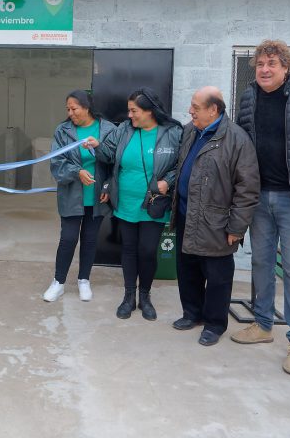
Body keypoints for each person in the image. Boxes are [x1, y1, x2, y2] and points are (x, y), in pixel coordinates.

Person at [232, 40, 290, 375]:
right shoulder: (249, 96)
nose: (265, 69)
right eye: (260, 64)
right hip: (259, 195)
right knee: (261, 262)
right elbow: (241, 139)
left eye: (272, 64)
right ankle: (263, 324)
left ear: (285, 67)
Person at [171, 87, 259, 346]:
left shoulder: (237, 139)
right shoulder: (190, 131)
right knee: (187, 269)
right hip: (187, 214)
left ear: (213, 110)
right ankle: (192, 313)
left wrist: (237, 227)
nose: (190, 111)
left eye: (196, 107)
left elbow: (248, 188)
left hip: (217, 223)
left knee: (218, 277)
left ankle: (214, 324)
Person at [89, 88, 182, 320]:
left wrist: (168, 182)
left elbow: (181, 164)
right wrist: (96, 145)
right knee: (129, 249)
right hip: (126, 202)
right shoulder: (124, 130)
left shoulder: (172, 132)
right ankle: (129, 296)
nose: (129, 115)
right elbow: (108, 155)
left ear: (150, 111)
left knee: (148, 251)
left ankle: (145, 296)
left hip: (154, 203)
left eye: (134, 111)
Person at [43, 90, 113, 302]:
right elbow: (56, 162)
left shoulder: (108, 130)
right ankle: (58, 282)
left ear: (87, 107)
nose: (70, 113)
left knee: (90, 240)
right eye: (68, 109)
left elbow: (115, 161)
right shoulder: (63, 131)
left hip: (97, 196)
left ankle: (84, 280)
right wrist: (77, 172)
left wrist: (108, 187)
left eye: (74, 109)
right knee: (68, 238)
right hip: (72, 194)